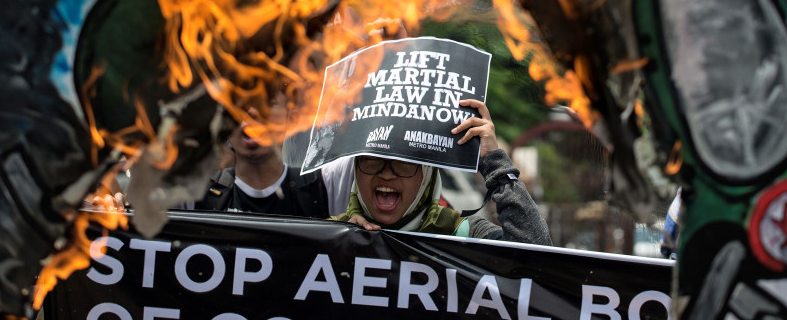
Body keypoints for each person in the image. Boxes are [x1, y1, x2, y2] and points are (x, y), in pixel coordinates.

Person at [334, 99, 552, 244]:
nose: (387, 174)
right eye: (371, 160)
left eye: (405, 162)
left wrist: (494, 161)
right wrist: (337, 241)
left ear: (427, 176)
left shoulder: (462, 234)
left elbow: (537, 259)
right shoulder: (329, 235)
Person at [194, 108, 329, 217]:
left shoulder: (323, 185)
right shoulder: (197, 191)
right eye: (239, 103)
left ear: (291, 119)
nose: (252, 112)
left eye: (267, 100)